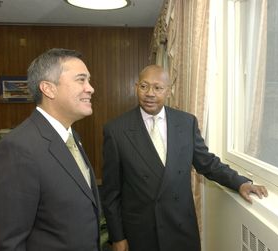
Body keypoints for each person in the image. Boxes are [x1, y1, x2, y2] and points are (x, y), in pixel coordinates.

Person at [102, 65, 268, 251]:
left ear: (169, 91)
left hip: (180, 226)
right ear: (135, 87)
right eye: (144, 86)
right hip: (140, 232)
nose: (150, 93)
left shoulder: (186, 122)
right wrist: (117, 237)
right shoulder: (116, 130)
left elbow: (207, 163)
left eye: (158, 88)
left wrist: (239, 183)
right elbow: (111, 192)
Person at [0, 48, 100, 251]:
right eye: (81, 79)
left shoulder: (71, 137)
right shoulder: (18, 148)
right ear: (48, 89)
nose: (90, 88)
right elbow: (7, 242)